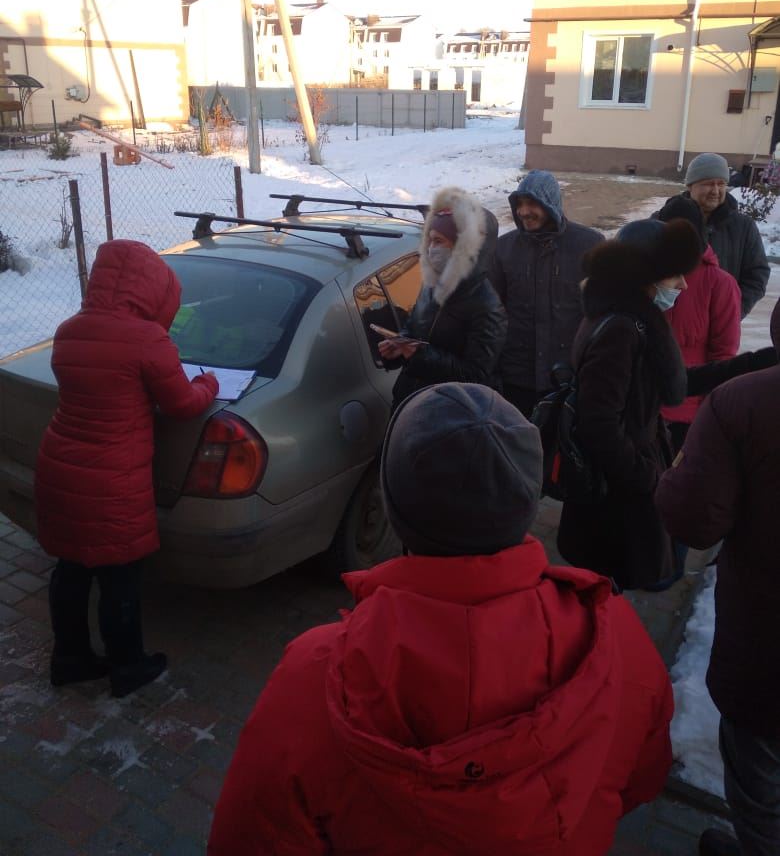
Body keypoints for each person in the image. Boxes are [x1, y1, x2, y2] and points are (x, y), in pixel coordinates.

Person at [208, 382, 674, 856]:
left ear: (396, 509)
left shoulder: (319, 675)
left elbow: (248, 838)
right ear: (528, 500)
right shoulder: (612, 631)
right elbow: (642, 778)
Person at [35, 240, 218, 698]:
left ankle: (70, 659)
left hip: (61, 464)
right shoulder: (146, 339)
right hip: (112, 477)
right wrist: (208, 382)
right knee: (119, 577)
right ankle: (128, 666)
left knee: (71, 570)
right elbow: (181, 404)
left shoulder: (69, 329)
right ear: (151, 289)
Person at [656, 300, 780, 856]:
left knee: (760, 784)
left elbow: (695, 521)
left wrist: (668, 478)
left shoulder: (747, 401)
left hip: (767, 650)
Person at [557, 217, 702, 591]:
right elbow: (599, 423)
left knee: (612, 581)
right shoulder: (623, 327)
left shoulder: (626, 316)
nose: (683, 285)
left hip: (624, 481)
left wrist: (758, 363)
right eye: (674, 277)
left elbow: (661, 385)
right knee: (609, 585)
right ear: (647, 277)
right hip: (617, 495)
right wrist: (647, 478)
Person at [378, 185, 506, 408]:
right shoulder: (432, 285)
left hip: (449, 414)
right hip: (410, 402)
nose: (430, 250)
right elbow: (413, 329)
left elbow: (476, 376)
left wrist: (419, 354)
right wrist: (398, 348)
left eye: (438, 242)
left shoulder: (487, 306)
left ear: (462, 248)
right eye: (429, 240)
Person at [490, 169, 603, 418]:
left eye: (532, 203)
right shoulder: (503, 249)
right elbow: (493, 314)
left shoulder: (589, 246)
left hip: (567, 378)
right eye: (519, 204)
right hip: (516, 378)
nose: (523, 211)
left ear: (551, 204)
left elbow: (601, 315)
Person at [656, 196, 741, 455]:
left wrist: (709, 413)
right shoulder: (648, 273)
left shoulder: (720, 284)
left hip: (689, 415)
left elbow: (724, 356)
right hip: (644, 409)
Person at [658, 152, 768, 318]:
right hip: (672, 323)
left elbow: (757, 275)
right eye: (708, 184)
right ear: (690, 186)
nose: (715, 191)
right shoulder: (665, 220)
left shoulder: (743, 226)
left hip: (721, 325)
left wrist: (732, 311)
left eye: (721, 184)